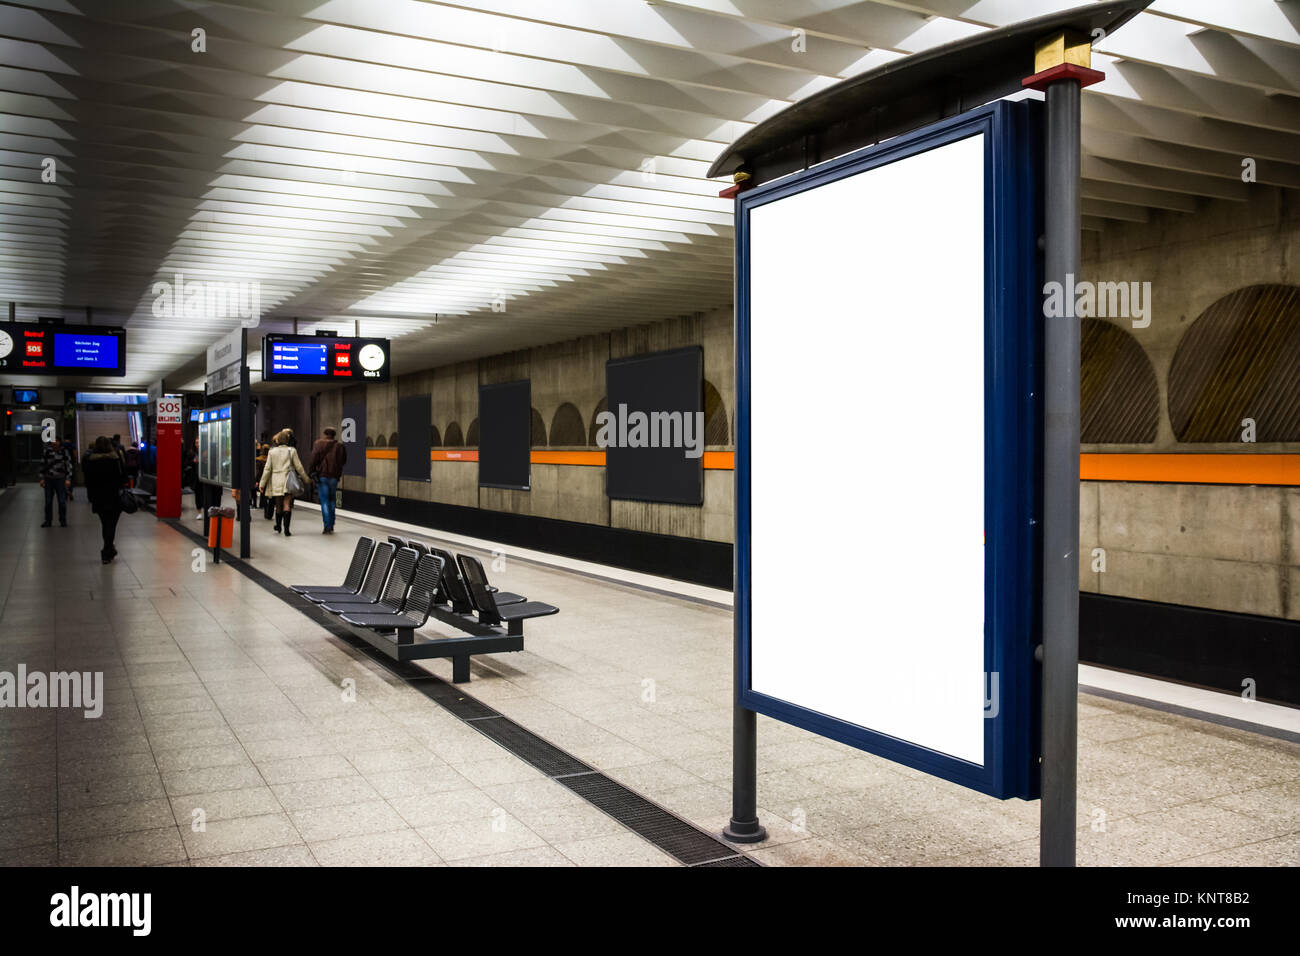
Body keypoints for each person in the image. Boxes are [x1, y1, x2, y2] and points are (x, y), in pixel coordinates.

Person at [82, 436, 128, 564]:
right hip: (114, 497)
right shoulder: (116, 459)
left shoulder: (91, 461)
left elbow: (88, 481)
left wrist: (91, 496)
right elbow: (123, 477)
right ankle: (107, 551)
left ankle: (109, 549)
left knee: (105, 523)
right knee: (111, 524)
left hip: (99, 497)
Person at [259, 428, 311, 536]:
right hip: (288, 481)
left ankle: (278, 526)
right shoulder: (292, 450)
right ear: (287, 440)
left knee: (278, 505)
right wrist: (306, 479)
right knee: (287, 503)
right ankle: (287, 530)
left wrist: (262, 484)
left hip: (276, 481)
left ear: (277, 440)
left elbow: (267, 469)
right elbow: (299, 467)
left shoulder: (272, 452)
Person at [307, 427, 347, 534]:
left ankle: (327, 525)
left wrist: (311, 472)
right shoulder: (340, 446)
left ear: (325, 434)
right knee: (332, 500)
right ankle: (332, 524)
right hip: (334, 477)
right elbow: (343, 461)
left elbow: (313, 459)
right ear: (334, 435)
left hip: (322, 476)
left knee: (324, 501)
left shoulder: (318, 444)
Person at [38, 438, 73, 527]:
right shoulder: (47, 452)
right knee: (48, 501)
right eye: (53, 445)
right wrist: (41, 478)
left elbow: (68, 465)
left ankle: (63, 520)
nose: (55, 446)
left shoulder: (64, 452)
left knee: (62, 501)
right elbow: (42, 465)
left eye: (56, 445)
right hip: (48, 478)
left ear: (59, 444)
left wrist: (68, 479)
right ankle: (48, 520)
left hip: (60, 479)